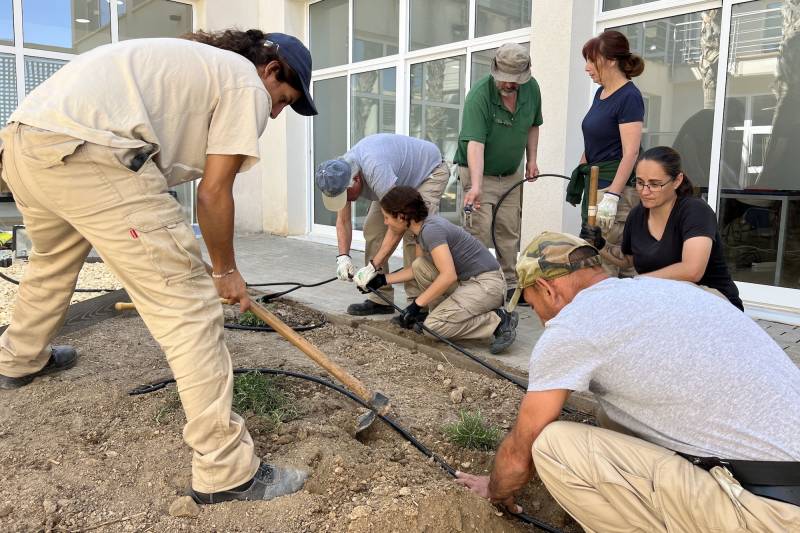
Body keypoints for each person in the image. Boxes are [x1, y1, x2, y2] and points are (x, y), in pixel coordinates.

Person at [0, 30, 316, 504]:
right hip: (90, 152)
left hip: (26, 146)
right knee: (187, 304)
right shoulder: (244, 83)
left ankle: (19, 358)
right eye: (284, 99)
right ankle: (227, 471)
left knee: (50, 262)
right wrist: (224, 271)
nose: (274, 112)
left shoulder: (194, 66)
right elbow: (213, 192)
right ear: (271, 70)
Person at [455, 231, 800, 531]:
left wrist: (495, 489)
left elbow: (521, 450)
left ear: (547, 289)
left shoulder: (574, 326)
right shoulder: (666, 290)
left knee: (553, 446)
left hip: (768, 513)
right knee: (612, 413)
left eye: (532, 304)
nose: (541, 318)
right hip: (781, 481)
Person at [581, 146, 744, 310]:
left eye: (654, 184)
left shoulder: (695, 211)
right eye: (639, 183)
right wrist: (601, 245)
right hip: (666, 297)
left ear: (677, 181)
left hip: (713, 301)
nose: (644, 191)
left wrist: (638, 282)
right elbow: (629, 260)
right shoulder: (636, 215)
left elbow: (693, 270)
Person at [360, 187, 518, 354]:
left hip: (487, 284)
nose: (385, 223)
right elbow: (418, 269)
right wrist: (381, 280)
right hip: (469, 283)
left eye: (386, 217)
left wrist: (416, 305)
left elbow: (448, 276)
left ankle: (497, 321)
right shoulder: (422, 228)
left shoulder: (431, 231)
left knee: (433, 328)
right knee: (419, 264)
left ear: (401, 216)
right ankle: (448, 315)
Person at [315, 134, 450, 316]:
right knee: (373, 230)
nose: (345, 200)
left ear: (356, 180)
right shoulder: (340, 174)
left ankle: (417, 305)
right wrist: (343, 257)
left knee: (414, 235)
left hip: (428, 174)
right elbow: (343, 220)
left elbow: (398, 225)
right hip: (395, 181)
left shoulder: (375, 169)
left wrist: (373, 266)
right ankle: (379, 299)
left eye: (345, 195)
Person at [454, 42, 543, 302]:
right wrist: (477, 186)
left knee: (508, 230)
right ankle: (477, 286)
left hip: (511, 173)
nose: (509, 84)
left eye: (515, 80)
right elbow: (475, 144)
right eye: (504, 79)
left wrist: (532, 160)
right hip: (479, 173)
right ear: (495, 71)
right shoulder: (480, 95)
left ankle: (510, 285)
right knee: (478, 231)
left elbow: (533, 125)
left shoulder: (532, 89)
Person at [566, 30, 645, 277]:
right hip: (594, 185)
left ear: (610, 60)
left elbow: (630, 153)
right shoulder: (601, 94)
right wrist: (579, 176)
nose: (587, 68)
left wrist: (612, 196)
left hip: (615, 190)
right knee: (595, 259)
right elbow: (593, 141)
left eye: (591, 60)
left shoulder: (629, 96)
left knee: (615, 258)